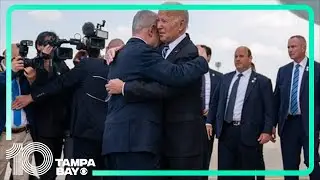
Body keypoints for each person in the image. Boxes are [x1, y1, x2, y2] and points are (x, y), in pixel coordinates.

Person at [105, 4, 209, 180]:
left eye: (163, 20)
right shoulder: (157, 50)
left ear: (181, 24)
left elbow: (171, 87)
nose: (158, 25)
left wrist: (125, 87)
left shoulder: (191, 52)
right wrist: (119, 48)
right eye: (157, 20)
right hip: (156, 142)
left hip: (182, 145)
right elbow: (139, 50)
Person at [13, 39, 125, 180]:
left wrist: (31, 97)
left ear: (108, 49)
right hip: (115, 138)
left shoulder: (89, 65)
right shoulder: (128, 69)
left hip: (86, 136)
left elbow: (61, 84)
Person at [207, 46, 274, 180]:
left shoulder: (262, 82)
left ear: (250, 58)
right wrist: (209, 121)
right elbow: (215, 103)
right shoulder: (225, 79)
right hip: (226, 132)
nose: (237, 59)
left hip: (249, 134)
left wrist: (267, 130)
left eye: (241, 56)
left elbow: (269, 109)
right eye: (235, 56)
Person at [273, 35, 320, 180]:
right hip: (288, 125)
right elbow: (277, 100)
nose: (290, 50)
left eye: (293, 47)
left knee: (312, 163)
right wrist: (271, 125)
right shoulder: (283, 71)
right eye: (288, 47)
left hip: (309, 125)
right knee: (289, 166)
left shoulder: (317, 69)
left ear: (303, 48)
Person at [0, 43, 35, 180]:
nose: (19, 60)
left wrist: (32, 79)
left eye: (21, 57)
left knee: (21, 177)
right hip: (3, 137)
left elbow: (36, 95)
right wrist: (11, 72)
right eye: (16, 57)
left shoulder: (23, 74)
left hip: (23, 135)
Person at [196, 44, 223, 170]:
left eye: (200, 54)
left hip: (209, 123)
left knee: (205, 158)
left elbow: (221, 100)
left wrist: (211, 114)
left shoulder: (219, 77)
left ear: (209, 57)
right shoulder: (189, 74)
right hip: (191, 121)